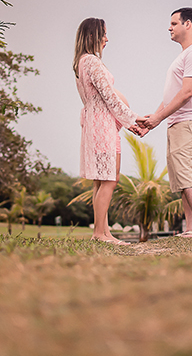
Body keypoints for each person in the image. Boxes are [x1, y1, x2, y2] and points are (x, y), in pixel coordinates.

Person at [132, 8, 192, 238]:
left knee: (188, 175)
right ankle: (191, 227)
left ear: (188, 24)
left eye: (174, 23)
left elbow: (188, 92)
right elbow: (172, 95)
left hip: (190, 121)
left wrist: (159, 118)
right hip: (179, 122)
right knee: (180, 178)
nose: (170, 27)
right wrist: (152, 120)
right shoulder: (185, 54)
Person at [74, 17, 138, 245]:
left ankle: (104, 231)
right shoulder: (91, 61)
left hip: (102, 125)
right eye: (103, 34)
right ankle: (100, 233)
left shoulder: (82, 62)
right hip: (102, 127)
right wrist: (133, 121)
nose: (107, 39)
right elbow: (108, 96)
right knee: (109, 179)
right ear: (92, 36)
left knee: (103, 180)